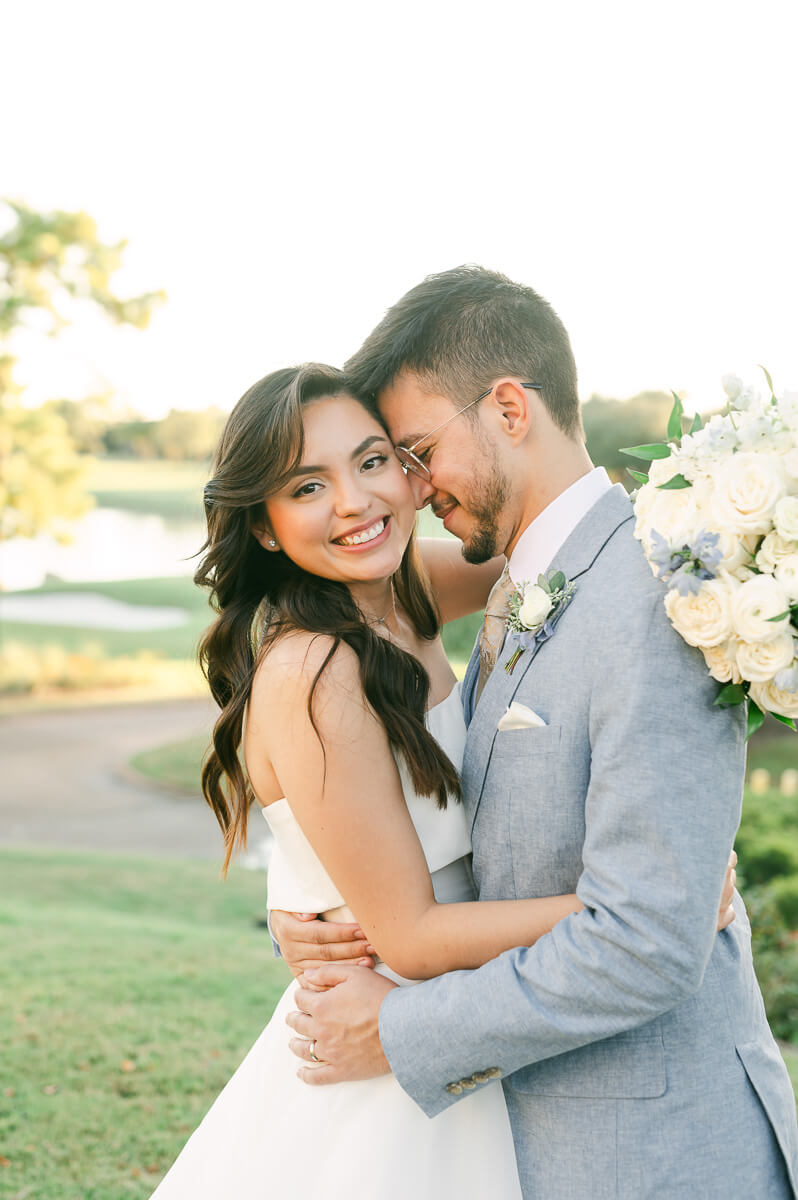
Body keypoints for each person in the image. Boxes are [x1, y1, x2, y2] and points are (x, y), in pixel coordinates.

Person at [274, 268, 798, 1200]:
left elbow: (643, 941)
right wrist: (333, 912)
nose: (409, 484)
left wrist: (397, 1026)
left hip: (661, 1155)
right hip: (547, 1142)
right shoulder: (528, 575)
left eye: (419, 448)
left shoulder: (655, 599)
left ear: (510, 408)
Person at [153, 362, 727, 1197]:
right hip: (392, 1040)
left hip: (467, 1020)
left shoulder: (402, 590)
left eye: (374, 460)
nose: (355, 501)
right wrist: (647, 902)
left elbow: (566, 562)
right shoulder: (312, 673)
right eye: (309, 485)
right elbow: (413, 933)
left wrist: (741, 550)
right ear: (267, 527)